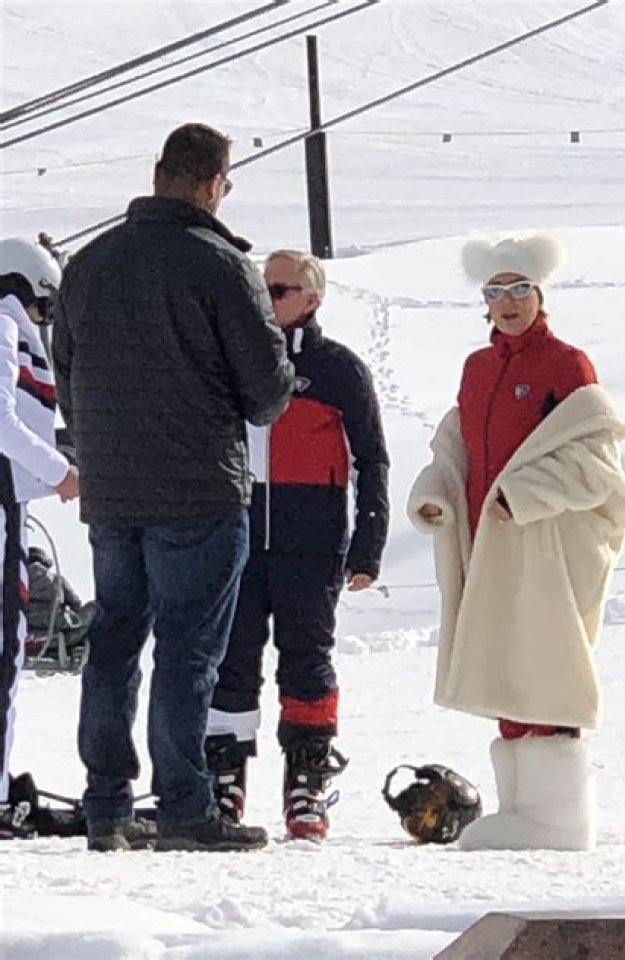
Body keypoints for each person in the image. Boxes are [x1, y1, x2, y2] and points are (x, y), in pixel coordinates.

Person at [52, 123, 295, 853]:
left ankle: (106, 805)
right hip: (198, 489)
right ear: (216, 183)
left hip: (114, 492)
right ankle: (185, 805)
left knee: (114, 640)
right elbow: (267, 391)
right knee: (188, 648)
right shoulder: (221, 265)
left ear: (158, 172)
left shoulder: (88, 264)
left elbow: (65, 378)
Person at [407, 233, 625, 851]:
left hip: (544, 543)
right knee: (506, 661)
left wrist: (525, 496)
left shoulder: (567, 364)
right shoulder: (478, 369)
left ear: (540, 293)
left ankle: (559, 817)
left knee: (545, 662)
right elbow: (457, 447)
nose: (507, 302)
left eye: (518, 289)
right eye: (495, 291)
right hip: (489, 539)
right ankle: (522, 810)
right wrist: (437, 490)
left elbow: (598, 463)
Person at [206, 249, 390, 841]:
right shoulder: (234, 356)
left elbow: (371, 458)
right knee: (232, 658)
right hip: (237, 533)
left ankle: (306, 778)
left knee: (306, 657)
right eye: (263, 288)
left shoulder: (339, 369)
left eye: (281, 289)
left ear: (312, 299)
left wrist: (369, 541)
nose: (268, 297)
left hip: (310, 540)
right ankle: (225, 776)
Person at [0, 237, 80, 839]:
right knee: (6, 647)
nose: (42, 319)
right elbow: (2, 416)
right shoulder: (3, 318)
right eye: (44, 306)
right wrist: (60, 471)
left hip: (14, 501)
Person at [25, 545, 95, 651]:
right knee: (94, 608)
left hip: (29, 631)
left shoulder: (15, 581)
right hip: (58, 626)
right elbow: (76, 603)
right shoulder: (57, 579)